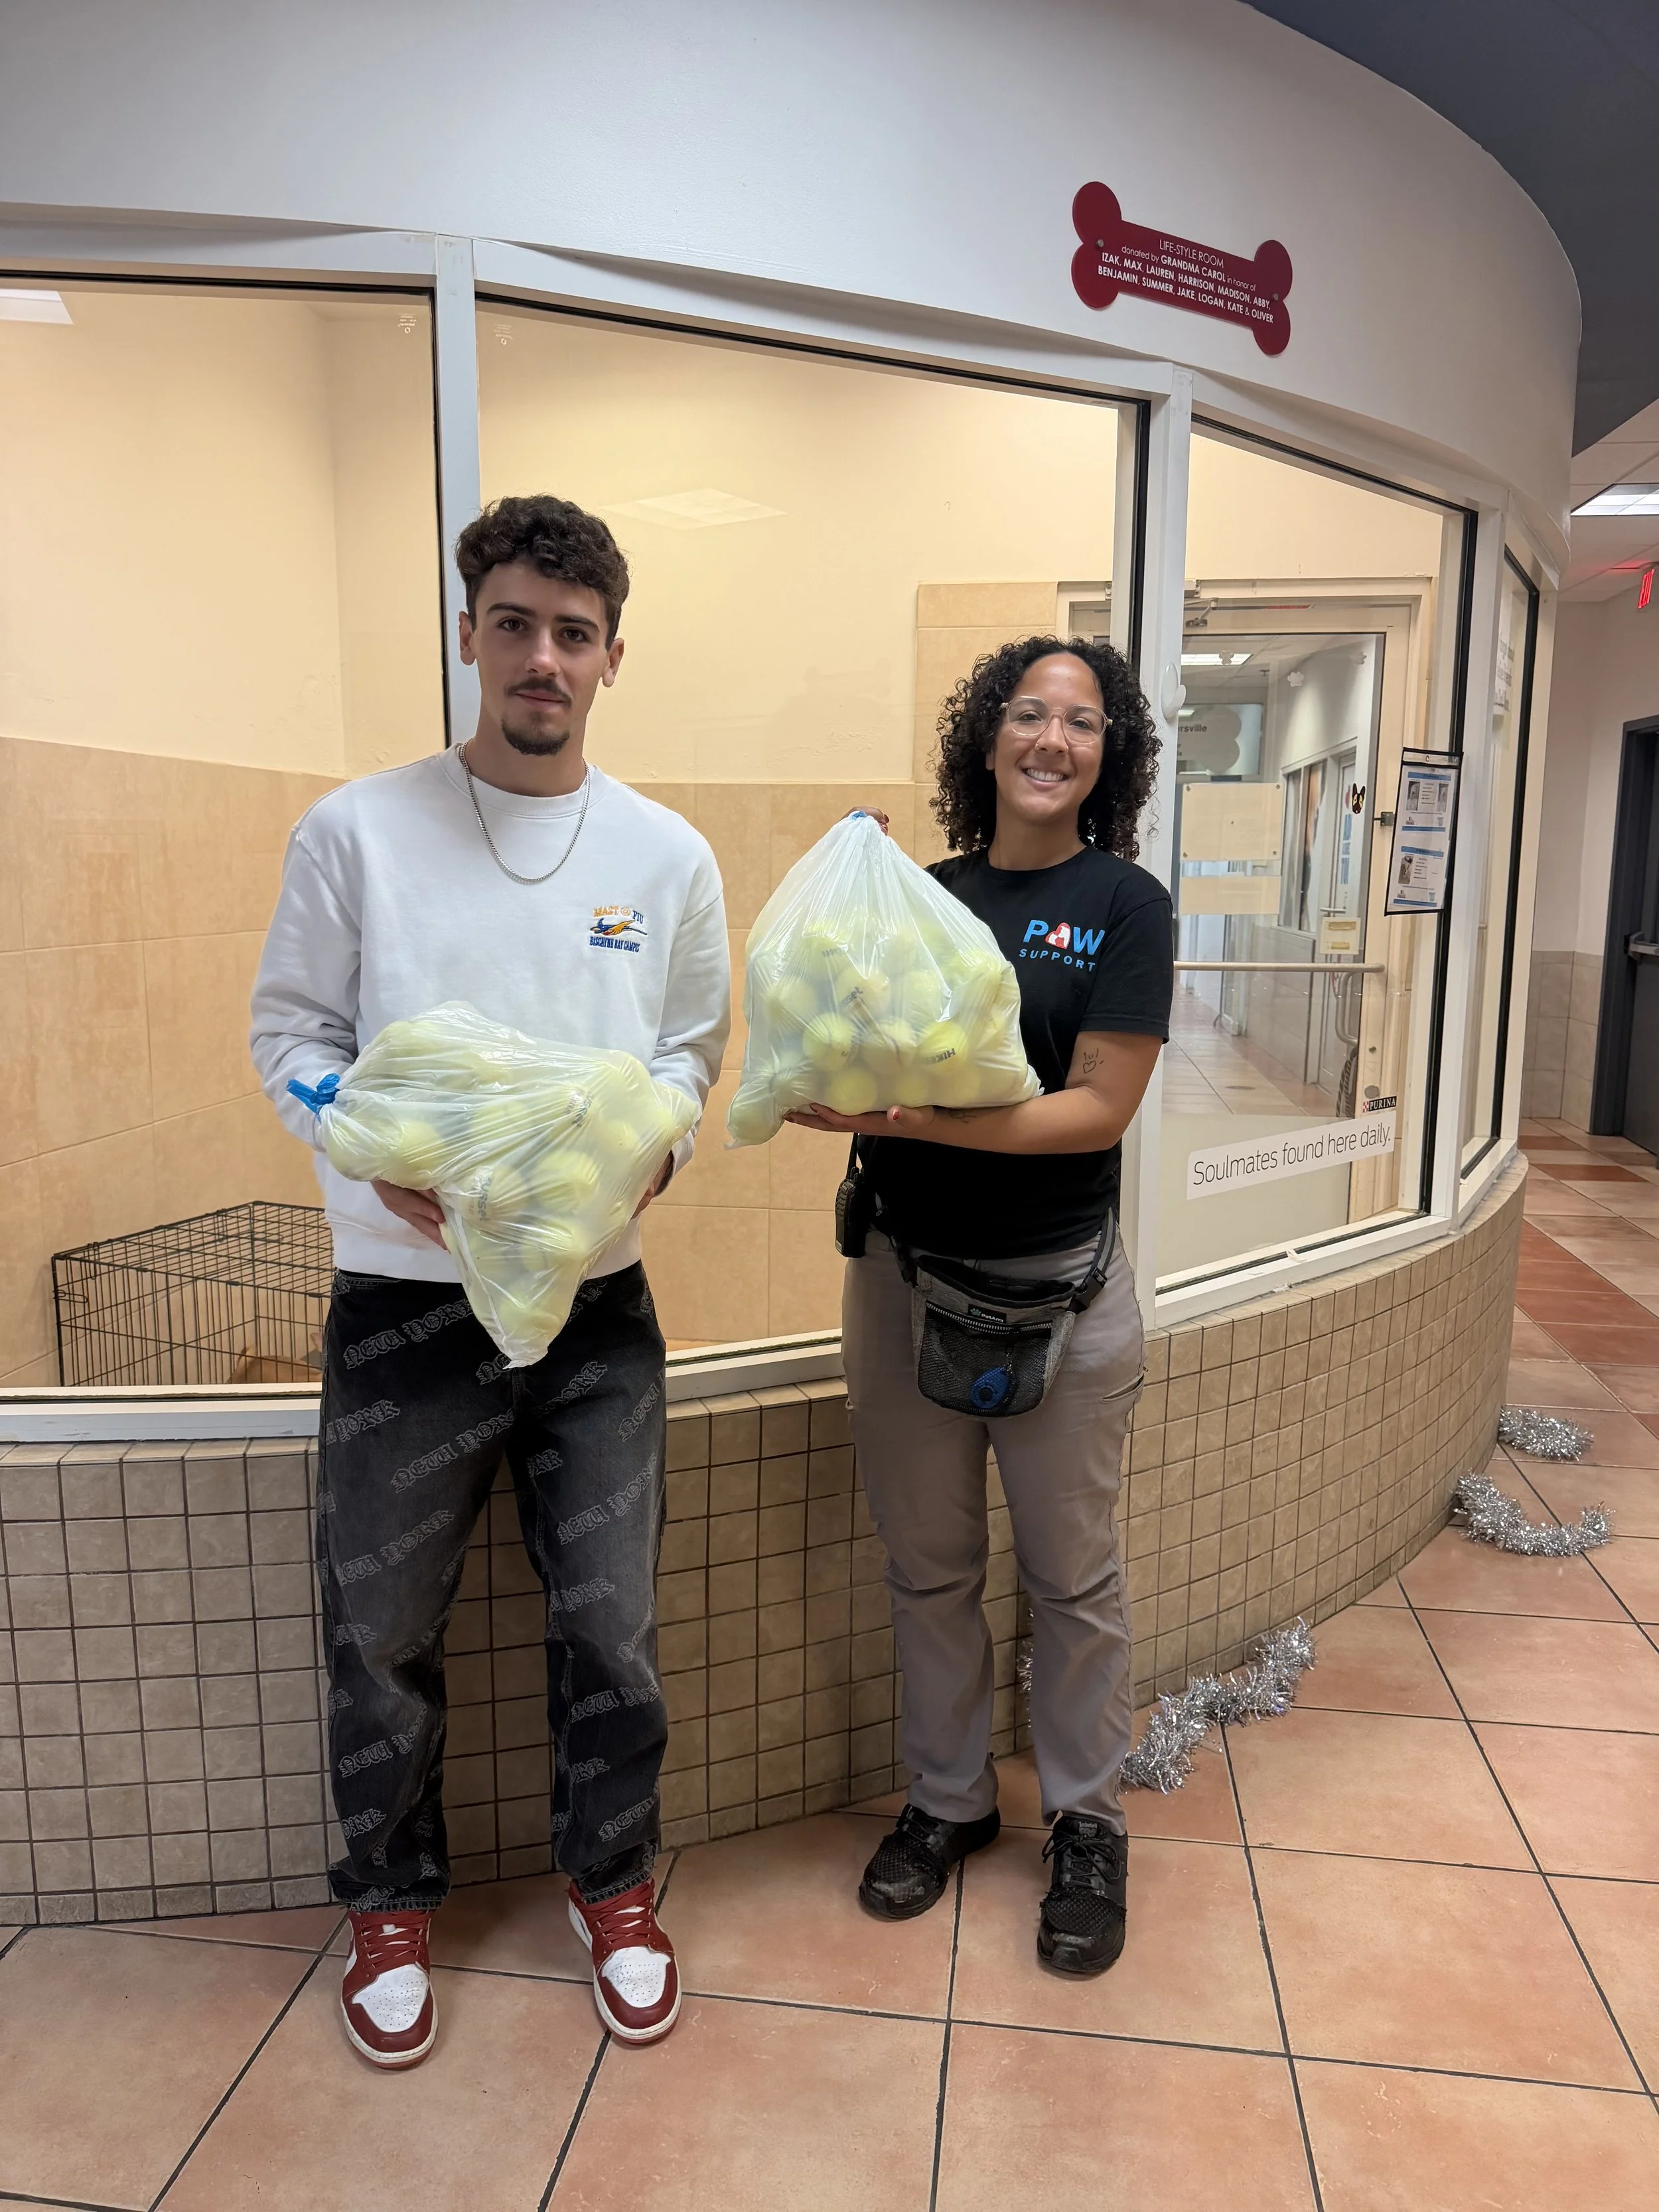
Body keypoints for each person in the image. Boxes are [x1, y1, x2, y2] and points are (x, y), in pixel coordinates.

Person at [250, 494, 729, 2064]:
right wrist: (364, 1153)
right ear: (469, 632)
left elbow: (688, 1052)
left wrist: (650, 1156)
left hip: (596, 1311)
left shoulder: (664, 855)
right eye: (513, 623)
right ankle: (389, 1898)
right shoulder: (357, 832)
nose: (542, 658)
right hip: (405, 1300)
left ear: (610, 658)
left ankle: (613, 1880)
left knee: (612, 1622)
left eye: (572, 634)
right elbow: (290, 1035)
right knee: (380, 1625)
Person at [788, 636, 1170, 1976]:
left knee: (1074, 1578)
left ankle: (1086, 1821)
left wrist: (924, 1122)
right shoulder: (931, 895)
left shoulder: (1123, 905)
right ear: (986, 736)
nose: (1050, 738)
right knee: (929, 1567)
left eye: (1082, 721)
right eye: (1027, 712)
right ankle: (949, 1799)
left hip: (1058, 1295)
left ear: (1107, 755)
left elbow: (1098, 1107)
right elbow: (853, 1041)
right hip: (899, 1284)